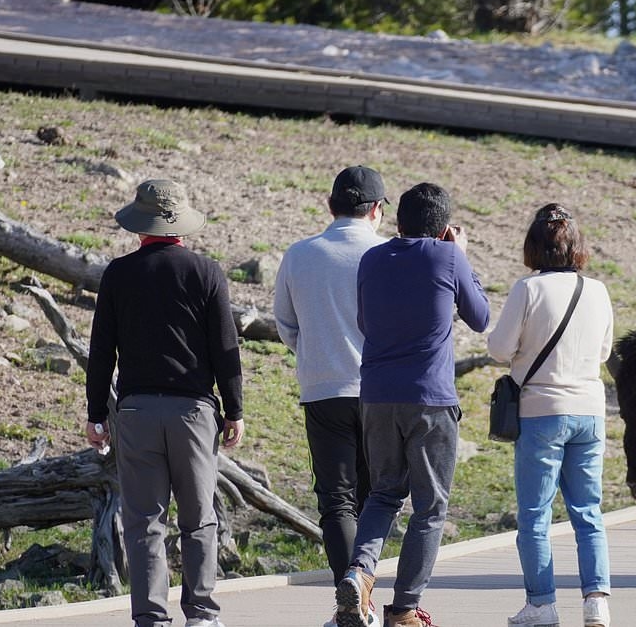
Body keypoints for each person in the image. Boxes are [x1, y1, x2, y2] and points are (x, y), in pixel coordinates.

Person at [85, 178, 245, 627]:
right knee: (199, 520)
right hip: (194, 413)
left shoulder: (118, 273)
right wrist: (234, 409)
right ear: (182, 226)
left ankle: (151, 618)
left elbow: (102, 352)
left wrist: (97, 413)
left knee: (144, 523)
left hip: (135, 412)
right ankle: (201, 614)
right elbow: (224, 348)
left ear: (141, 226)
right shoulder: (207, 272)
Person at [335, 182, 490, 627]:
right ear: (444, 229)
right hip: (430, 400)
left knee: (383, 494)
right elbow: (479, 317)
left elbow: (366, 322)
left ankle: (360, 572)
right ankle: (404, 609)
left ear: (398, 221)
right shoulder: (447, 255)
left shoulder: (372, 258)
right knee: (429, 507)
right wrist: (461, 254)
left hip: (377, 395)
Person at [487, 203, 614, 627]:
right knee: (588, 511)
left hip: (542, 412)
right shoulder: (597, 290)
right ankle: (596, 600)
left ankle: (541, 604)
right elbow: (603, 352)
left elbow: (499, 349)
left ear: (534, 246)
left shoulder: (528, 289)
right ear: (576, 246)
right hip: (590, 412)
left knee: (535, 516)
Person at [273, 166, 389, 627]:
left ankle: (353, 603)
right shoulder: (386, 253)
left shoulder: (299, 254)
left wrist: (314, 350)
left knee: (336, 500)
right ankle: (364, 595)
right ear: (377, 210)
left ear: (330, 206)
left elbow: (285, 322)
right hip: (381, 390)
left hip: (322, 389)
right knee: (376, 497)